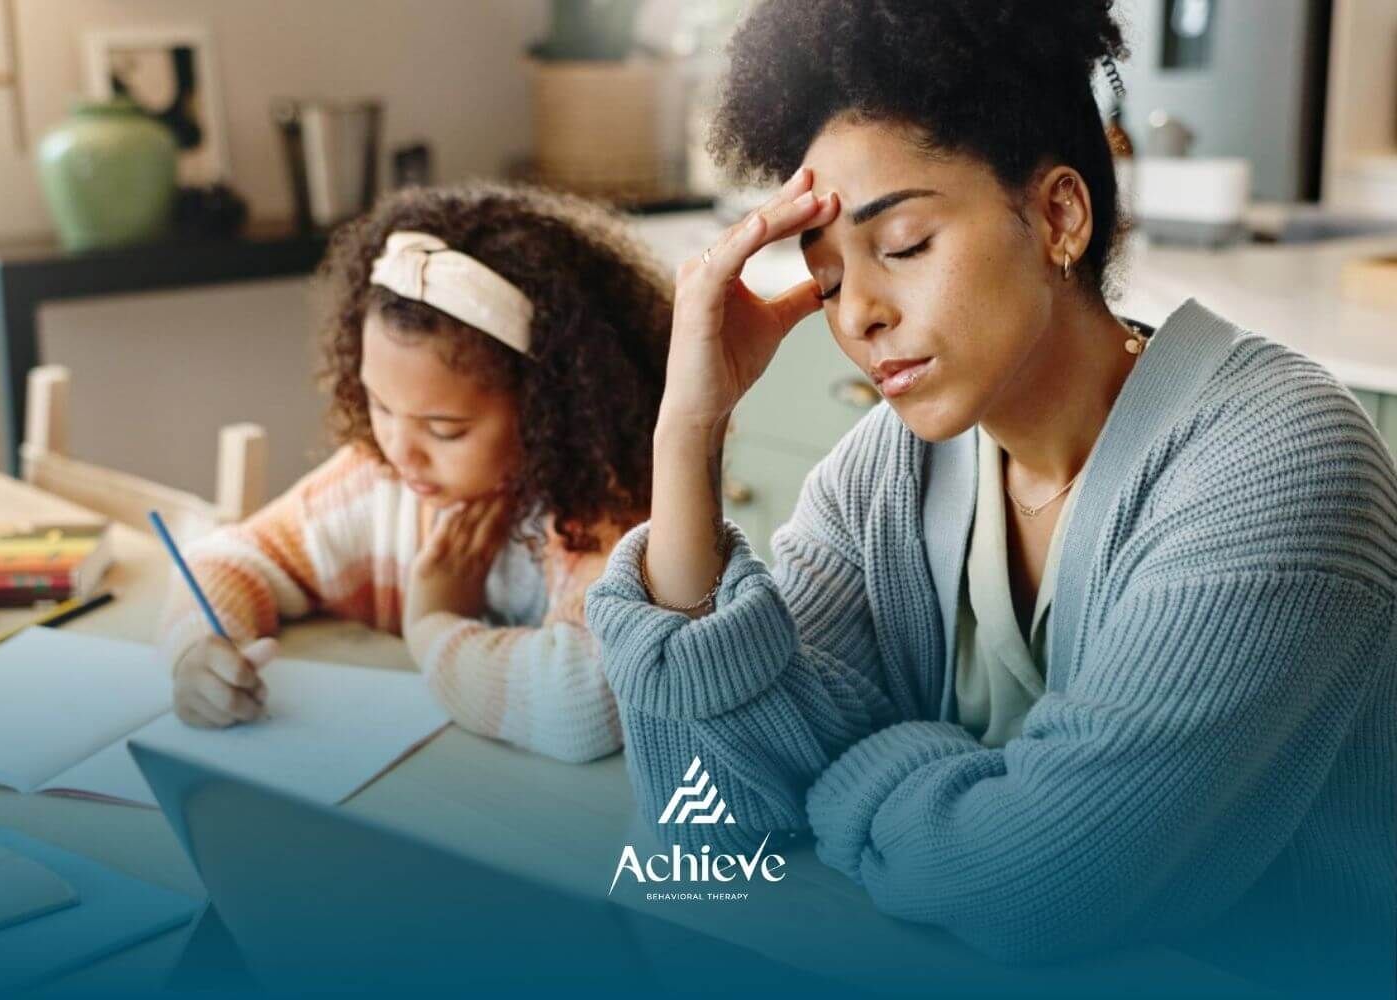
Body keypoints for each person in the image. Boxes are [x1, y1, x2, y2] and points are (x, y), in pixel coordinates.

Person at [585, 0, 1397, 989]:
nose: (861, 314)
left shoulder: (1274, 459)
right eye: (829, 278)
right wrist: (687, 431)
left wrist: (856, 768)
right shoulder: (886, 469)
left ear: (1057, 215)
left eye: (906, 244)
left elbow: (1038, 880)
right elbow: (704, 812)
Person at [161, 181, 671, 764]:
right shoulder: (380, 481)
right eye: (379, 406)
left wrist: (432, 623)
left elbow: (589, 703)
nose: (401, 451)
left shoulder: (612, 519)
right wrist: (198, 650)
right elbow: (228, 559)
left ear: (554, 408)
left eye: (445, 428)